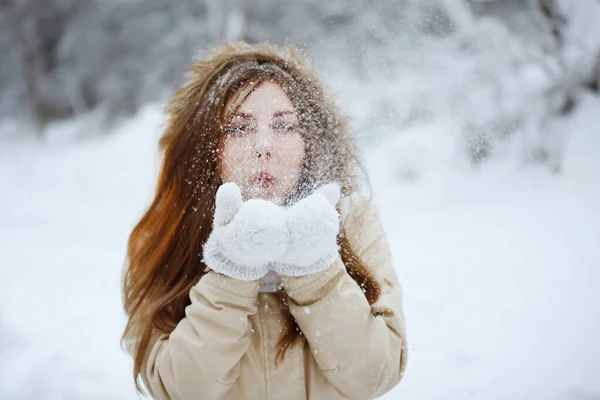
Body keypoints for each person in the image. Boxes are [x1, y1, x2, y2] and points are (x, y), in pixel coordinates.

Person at [121, 41, 407, 400]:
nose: (264, 146)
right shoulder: (167, 236)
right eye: (239, 128)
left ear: (312, 142)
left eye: (285, 126)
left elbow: (375, 376)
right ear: (205, 144)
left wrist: (315, 270)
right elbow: (179, 391)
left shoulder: (353, 221)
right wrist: (231, 273)